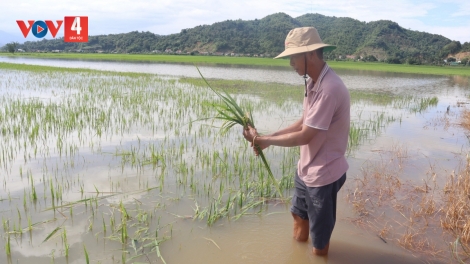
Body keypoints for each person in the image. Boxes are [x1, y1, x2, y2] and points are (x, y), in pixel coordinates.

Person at [243, 27, 350, 256]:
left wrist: (265, 141)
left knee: (319, 240)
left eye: (293, 56)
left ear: (310, 54)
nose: (290, 62)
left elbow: (305, 135)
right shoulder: (313, 83)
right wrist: (266, 138)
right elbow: (303, 122)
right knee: (298, 215)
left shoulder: (329, 88)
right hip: (306, 169)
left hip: (323, 174)